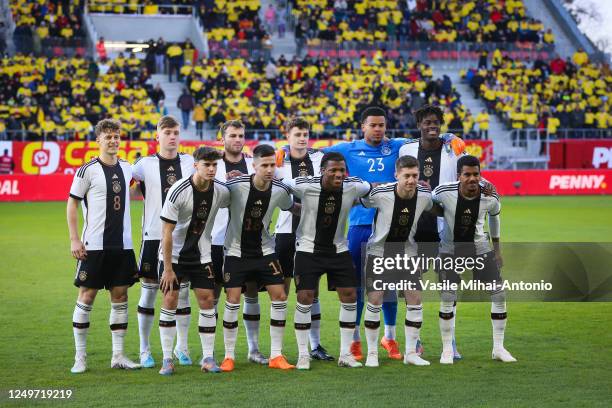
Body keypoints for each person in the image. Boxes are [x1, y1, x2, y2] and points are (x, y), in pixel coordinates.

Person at [324, 106, 464, 361]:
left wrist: (449, 136)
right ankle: (355, 341)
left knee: (391, 289)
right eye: (373, 125)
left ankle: (390, 337)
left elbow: (430, 135)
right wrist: (287, 149)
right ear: (363, 126)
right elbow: (314, 155)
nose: (378, 130)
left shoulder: (398, 146)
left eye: (382, 125)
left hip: (396, 226)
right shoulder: (347, 148)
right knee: (357, 286)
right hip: (360, 224)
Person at [399, 105, 493, 359]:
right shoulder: (406, 149)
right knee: (412, 284)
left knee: (449, 287)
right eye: (427, 122)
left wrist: (486, 187)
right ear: (419, 124)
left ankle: (450, 343)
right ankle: (414, 342)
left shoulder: (454, 148)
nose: (432, 126)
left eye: (437, 122)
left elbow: (469, 174)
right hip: (417, 226)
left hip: (448, 227)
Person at [283, 152, 371, 370]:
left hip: (338, 250)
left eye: (342, 170)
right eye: (333, 170)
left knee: (350, 296)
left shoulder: (353, 186)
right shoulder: (304, 185)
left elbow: (371, 187)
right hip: (307, 249)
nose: (339, 174)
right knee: (305, 297)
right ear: (322, 170)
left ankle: (345, 354)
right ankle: (303, 354)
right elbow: (279, 183)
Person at [67, 119, 140, 373]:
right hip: (94, 246)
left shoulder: (128, 169)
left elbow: (139, 187)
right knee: (86, 296)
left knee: (120, 297)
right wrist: (74, 239)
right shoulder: (87, 170)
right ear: (98, 140)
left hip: (123, 247)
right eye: (108, 136)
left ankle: (118, 355)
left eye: (117, 136)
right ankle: (80, 358)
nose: (113, 140)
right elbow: (72, 204)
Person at [431, 155, 516, 364]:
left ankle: (498, 348)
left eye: (476, 174)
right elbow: (427, 201)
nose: (472, 178)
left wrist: (497, 250)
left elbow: (495, 218)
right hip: (450, 250)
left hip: (480, 248)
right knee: (448, 296)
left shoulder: (490, 195)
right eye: (467, 174)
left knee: (499, 294)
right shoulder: (444, 191)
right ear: (459, 176)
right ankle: (447, 350)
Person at [220, 144, 295, 372]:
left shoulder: (280, 190)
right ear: (254, 166)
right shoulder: (235, 185)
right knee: (232, 300)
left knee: (280, 295)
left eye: (273, 164)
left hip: (265, 251)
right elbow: (215, 197)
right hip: (235, 251)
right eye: (265, 165)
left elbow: (292, 207)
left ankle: (276, 355)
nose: (270, 169)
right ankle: (229, 356)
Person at [157, 147, 230, 375]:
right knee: (170, 300)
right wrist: (168, 269)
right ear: (195, 165)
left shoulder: (220, 190)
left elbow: (238, 198)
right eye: (206, 165)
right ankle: (167, 358)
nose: (211, 169)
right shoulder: (178, 190)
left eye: (214, 165)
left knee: (207, 301)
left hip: (202, 255)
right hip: (174, 256)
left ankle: (208, 358)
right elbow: (166, 232)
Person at [131, 115, 195, 368]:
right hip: (153, 236)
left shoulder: (190, 162)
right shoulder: (143, 165)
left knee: (182, 294)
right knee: (148, 292)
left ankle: (182, 346)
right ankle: (144, 349)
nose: (172, 136)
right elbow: (127, 185)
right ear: (157, 136)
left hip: (183, 238)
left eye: (176, 132)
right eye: (167, 132)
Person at [360, 155, 432, 367]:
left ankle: (411, 353)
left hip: (408, 252)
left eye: (414, 176)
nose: (411, 180)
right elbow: (362, 200)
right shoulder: (381, 193)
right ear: (396, 175)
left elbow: (436, 203)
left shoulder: (424, 195)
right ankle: (372, 353)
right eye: (406, 176)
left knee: (415, 300)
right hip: (380, 252)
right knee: (374, 300)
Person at [274, 117, 333, 361]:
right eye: (297, 133)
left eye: (305, 133)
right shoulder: (278, 161)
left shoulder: (319, 159)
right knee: (281, 292)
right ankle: (277, 350)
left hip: (313, 234)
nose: (302, 137)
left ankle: (315, 346)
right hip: (285, 232)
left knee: (311, 290)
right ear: (287, 135)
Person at [210, 120, 268, 366]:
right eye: (232, 135)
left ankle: (253, 349)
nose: (237, 139)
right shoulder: (213, 164)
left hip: (247, 242)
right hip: (214, 238)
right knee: (211, 296)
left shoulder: (251, 164)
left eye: (241, 135)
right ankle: (209, 350)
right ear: (222, 138)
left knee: (251, 293)